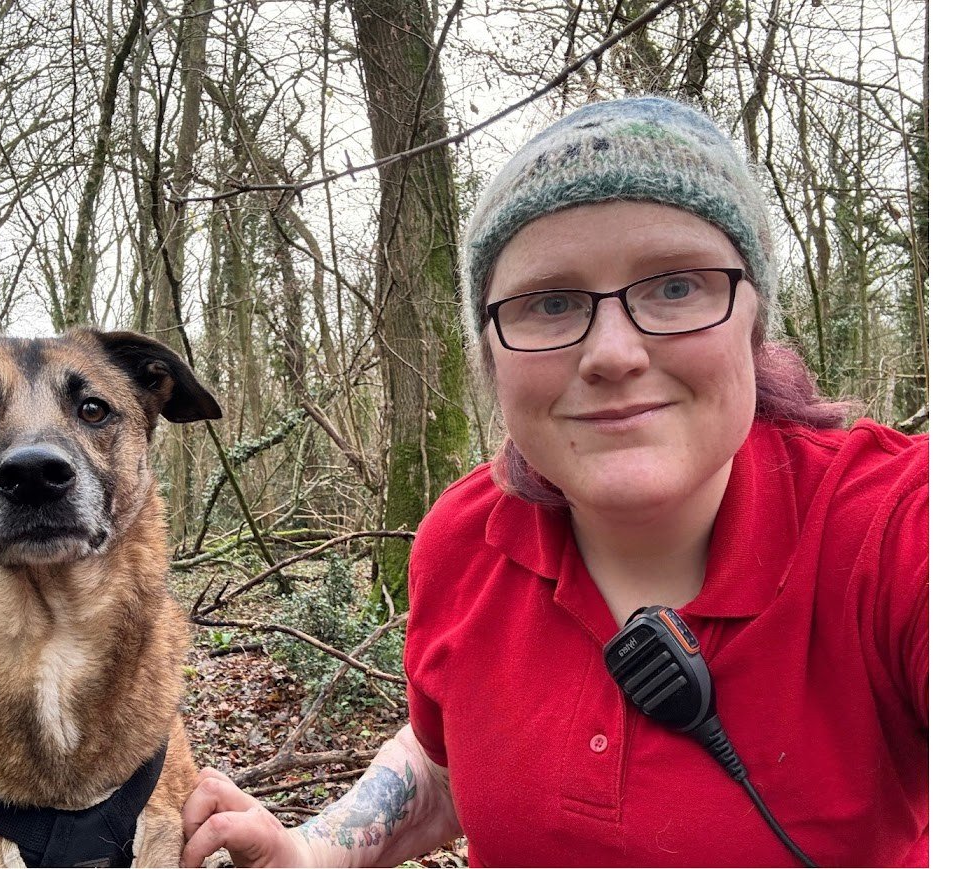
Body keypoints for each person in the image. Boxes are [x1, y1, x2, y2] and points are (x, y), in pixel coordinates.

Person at [180, 97, 928, 867]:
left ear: (753, 317)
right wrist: (314, 852)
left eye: (676, 286)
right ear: (493, 356)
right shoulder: (463, 541)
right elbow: (445, 763)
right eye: (550, 302)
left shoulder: (899, 527)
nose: (613, 353)